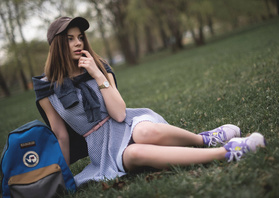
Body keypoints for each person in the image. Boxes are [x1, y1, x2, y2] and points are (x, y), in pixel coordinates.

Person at [32, 16, 266, 187]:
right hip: (102, 146)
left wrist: (97, 74)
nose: (78, 43)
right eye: (70, 39)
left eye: (80, 37)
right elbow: (60, 135)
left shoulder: (99, 66)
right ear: (57, 45)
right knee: (133, 155)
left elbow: (120, 114)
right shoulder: (46, 88)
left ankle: (204, 139)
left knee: (144, 133)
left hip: (127, 122)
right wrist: (57, 177)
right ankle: (227, 152)